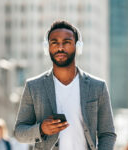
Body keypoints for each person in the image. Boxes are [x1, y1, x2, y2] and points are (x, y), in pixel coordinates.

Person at [14, 20, 116, 150]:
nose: (60, 47)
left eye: (66, 42)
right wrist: (41, 129)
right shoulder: (33, 87)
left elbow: (107, 133)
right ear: (47, 48)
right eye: (54, 43)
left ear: (78, 47)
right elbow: (19, 132)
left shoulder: (98, 87)